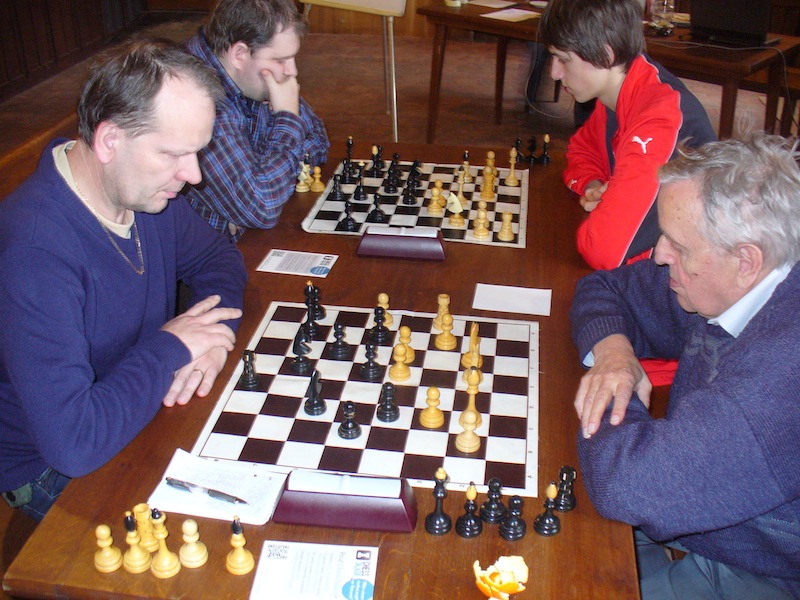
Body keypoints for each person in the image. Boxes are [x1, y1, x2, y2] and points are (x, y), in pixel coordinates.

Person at [0, 39, 248, 522]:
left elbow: (218, 258)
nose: (193, 176)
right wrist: (172, 346)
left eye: (197, 152)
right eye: (174, 154)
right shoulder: (34, 253)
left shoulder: (143, 194)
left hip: (135, 399)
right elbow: (73, 444)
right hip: (49, 466)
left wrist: (214, 339)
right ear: (110, 141)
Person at [570, 133, 800, 599]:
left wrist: (613, 395)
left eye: (677, 245)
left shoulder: (778, 378)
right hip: (696, 505)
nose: (659, 255)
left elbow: (628, 485)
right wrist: (615, 356)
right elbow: (604, 288)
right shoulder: (727, 280)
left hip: (761, 568)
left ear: (746, 261)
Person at [539, 0, 717, 272]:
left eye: (563, 59)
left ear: (605, 54)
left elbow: (605, 250)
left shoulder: (659, 117)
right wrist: (594, 187)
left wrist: (609, 204)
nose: (554, 73)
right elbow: (581, 151)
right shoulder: (619, 90)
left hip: (681, 276)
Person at [183, 0, 330, 241]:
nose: (292, 71)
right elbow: (262, 207)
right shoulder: (197, 102)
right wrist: (288, 118)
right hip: (207, 256)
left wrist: (262, 175)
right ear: (240, 54)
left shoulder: (248, 77)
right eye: (280, 60)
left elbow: (318, 140)